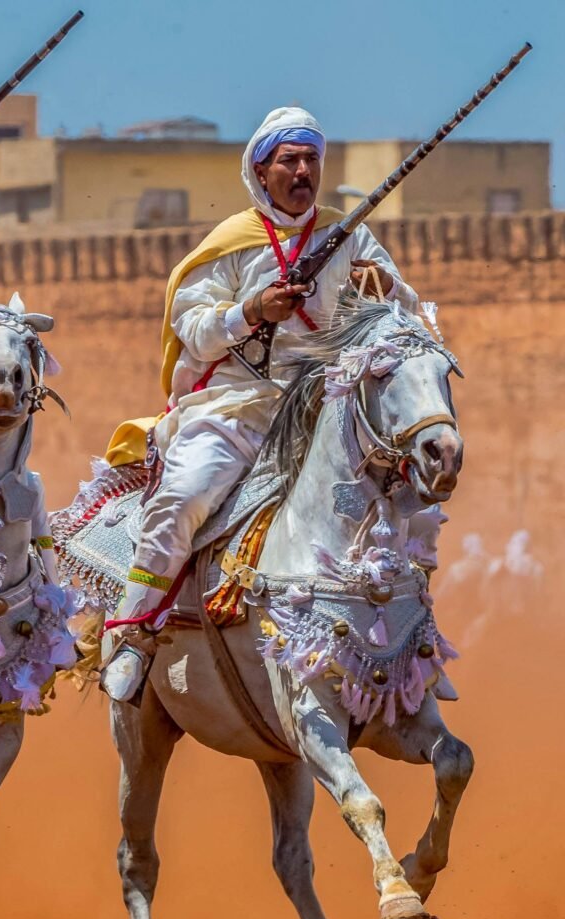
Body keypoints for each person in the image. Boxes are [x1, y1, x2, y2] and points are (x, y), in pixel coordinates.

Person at [101, 107, 419, 701]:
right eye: (289, 160)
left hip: (327, 409)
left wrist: (384, 289)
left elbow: (402, 305)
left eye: (311, 160)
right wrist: (251, 312)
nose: (303, 172)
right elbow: (190, 328)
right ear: (261, 169)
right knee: (182, 497)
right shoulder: (232, 244)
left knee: (410, 501)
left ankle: (410, 640)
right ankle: (133, 632)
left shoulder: (348, 235)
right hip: (239, 406)